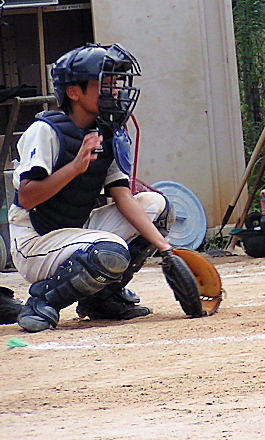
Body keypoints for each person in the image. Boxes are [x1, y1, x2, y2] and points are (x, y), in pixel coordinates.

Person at [9, 43, 175, 332]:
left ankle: (103, 299)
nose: (115, 92)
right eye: (105, 84)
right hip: (34, 241)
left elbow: (123, 196)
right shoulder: (45, 130)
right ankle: (41, 302)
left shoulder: (104, 132)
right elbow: (27, 197)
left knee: (157, 206)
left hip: (74, 231)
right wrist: (75, 167)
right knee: (110, 249)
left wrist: (168, 251)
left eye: (116, 84)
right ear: (74, 92)